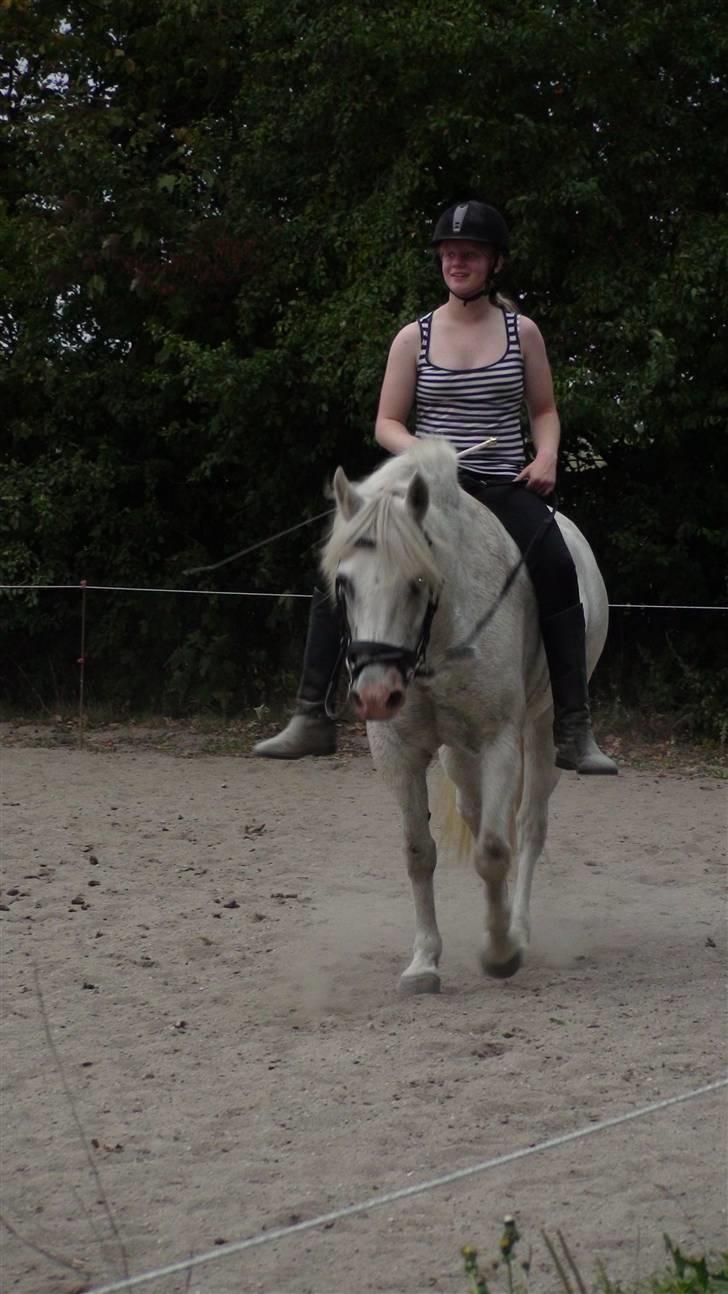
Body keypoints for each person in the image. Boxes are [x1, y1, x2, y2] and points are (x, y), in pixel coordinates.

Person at [254, 199, 617, 774]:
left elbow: (544, 410)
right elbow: (387, 423)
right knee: (345, 558)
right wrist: (423, 452)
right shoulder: (413, 338)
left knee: (554, 561)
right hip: (428, 488)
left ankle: (574, 725)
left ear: (495, 263)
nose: (456, 262)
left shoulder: (522, 333)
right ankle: (311, 713)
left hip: (501, 483)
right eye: (449, 253)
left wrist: (547, 454)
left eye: (469, 253)